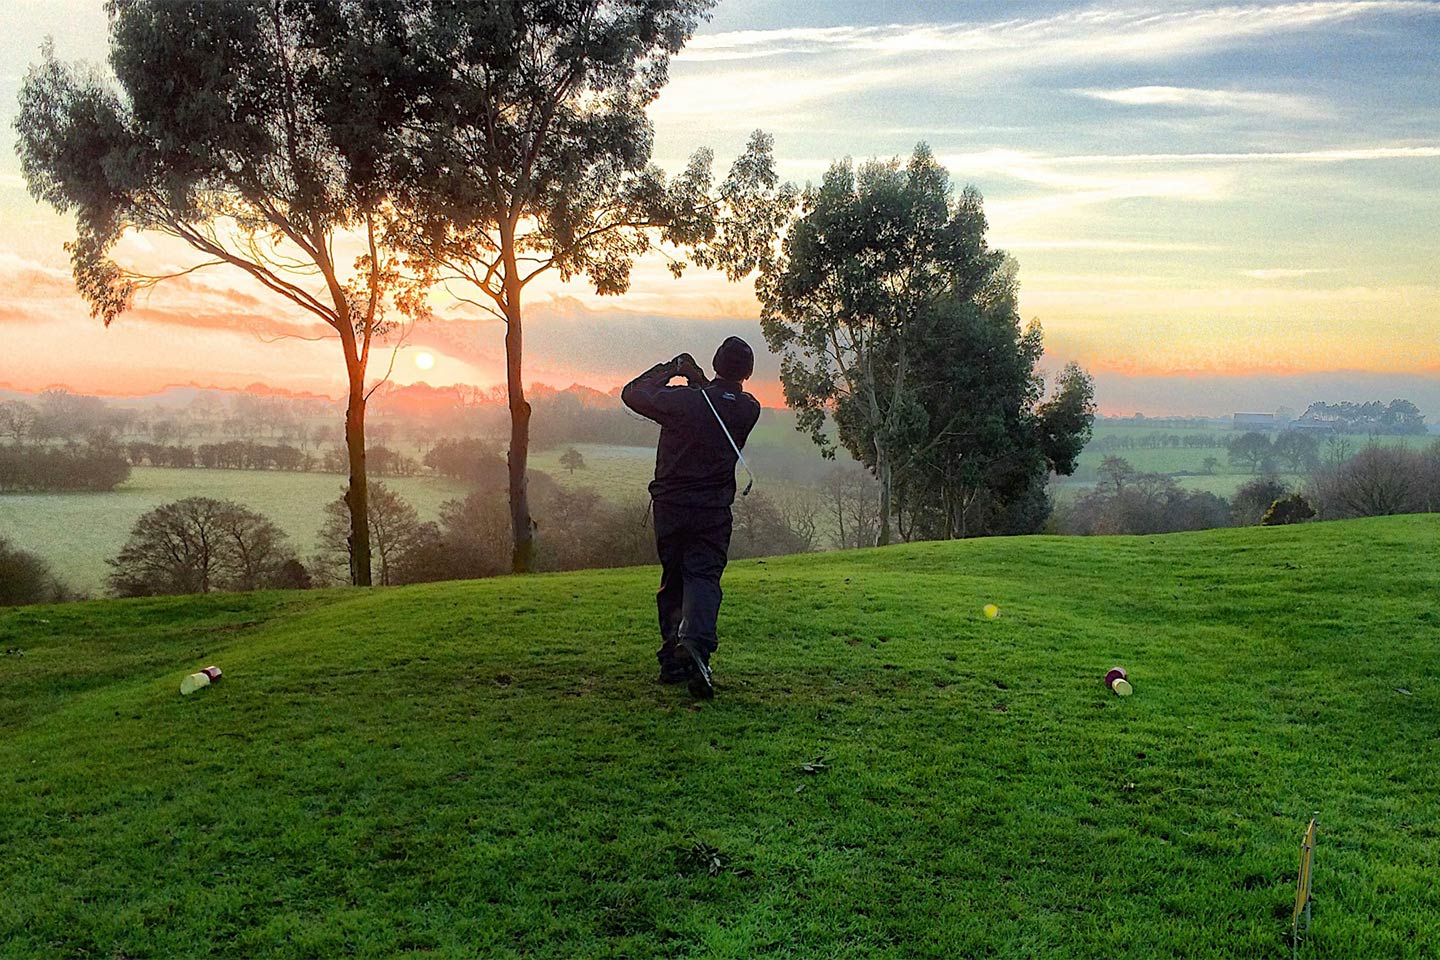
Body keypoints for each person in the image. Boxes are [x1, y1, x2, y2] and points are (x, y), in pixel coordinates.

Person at [621, 337, 761, 698]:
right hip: (713, 510)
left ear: (714, 363)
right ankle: (696, 645)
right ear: (747, 372)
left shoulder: (683, 402)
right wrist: (700, 382)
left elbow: (632, 393)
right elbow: (718, 402)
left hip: (671, 505)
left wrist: (675, 368)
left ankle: (673, 658)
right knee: (703, 575)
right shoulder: (749, 408)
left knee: (674, 577)